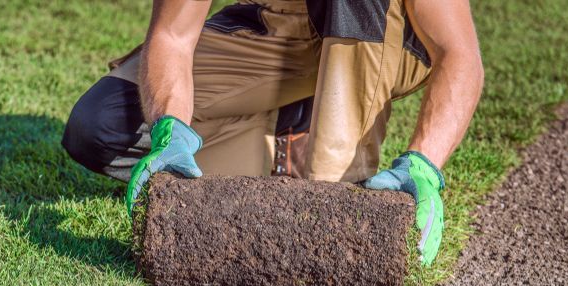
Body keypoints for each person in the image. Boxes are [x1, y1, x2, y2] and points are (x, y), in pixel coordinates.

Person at [62, 0, 484, 265]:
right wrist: (171, 128)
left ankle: (338, 191)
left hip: (383, 29)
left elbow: (458, 53)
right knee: (101, 128)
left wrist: (424, 163)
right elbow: (172, 36)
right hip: (274, 25)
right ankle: (287, 134)